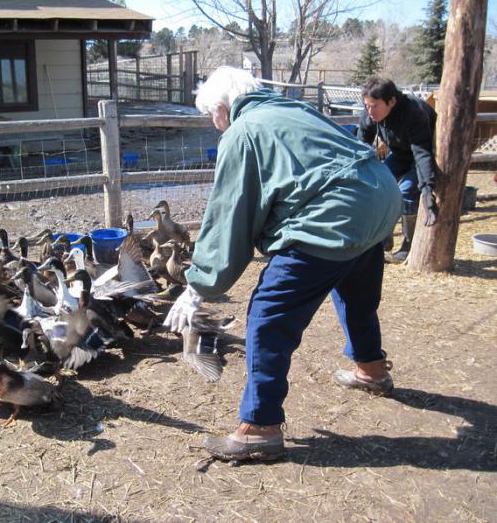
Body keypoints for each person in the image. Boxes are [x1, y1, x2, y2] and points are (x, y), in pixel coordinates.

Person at [163, 67, 402, 462]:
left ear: (223, 108)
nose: (214, 125)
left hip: (337, 214)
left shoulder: (243, 132)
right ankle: (371, 370)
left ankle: (260, 426)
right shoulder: (293, 109)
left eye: (211, 117)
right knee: (354, 288)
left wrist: (197, 287)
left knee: (268, 315)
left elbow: (229, 217)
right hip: (379, 197)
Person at [357, 77, 439, 262]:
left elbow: (422, 153)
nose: (370, 111)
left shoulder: (413, 113)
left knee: (405, 193)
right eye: (367, 106)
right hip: (400, 152)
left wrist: (427, 190)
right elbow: (361, 144)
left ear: (391, 101)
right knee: (380, 186)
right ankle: (383, 239)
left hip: (424, 153)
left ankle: (408, 246)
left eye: (374, 106)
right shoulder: (371, 112)